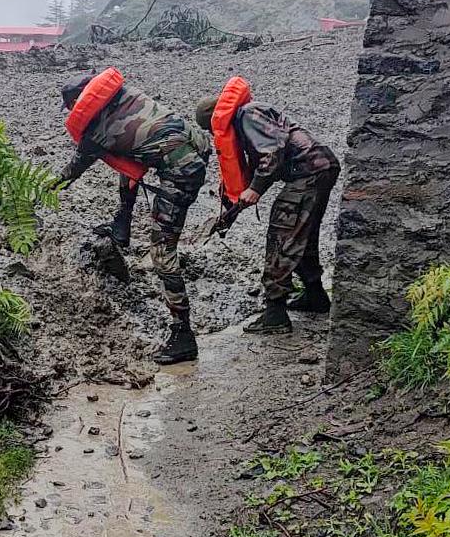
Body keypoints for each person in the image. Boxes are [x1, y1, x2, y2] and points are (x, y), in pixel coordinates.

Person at [59, 67, 210, 364]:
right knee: (126, 168)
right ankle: (122, 226)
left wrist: (42, 189)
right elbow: (131, 154)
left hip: (181, 173)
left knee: (162, 252)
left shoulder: (93, 133)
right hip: (199, 148)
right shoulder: (127, 96)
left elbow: (71, 172)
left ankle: (183, 335)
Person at [195, 77, 340, 334]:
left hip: (308, 171)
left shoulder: (247, 115)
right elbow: (266, 157)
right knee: (301, 234)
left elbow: (272, 152)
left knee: (282, 234)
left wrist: (255, 189)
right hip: (318, 168)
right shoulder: (249, 115)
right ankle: (316, 296)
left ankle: (275, 313)